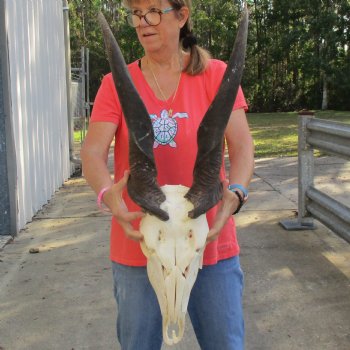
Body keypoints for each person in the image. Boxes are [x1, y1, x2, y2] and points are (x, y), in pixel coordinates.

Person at [81, 0, 254, 349]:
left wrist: (235, 194)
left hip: (209, 243)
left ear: (182, 14)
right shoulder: (116, 82)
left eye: (153, 11)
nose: (143, 21)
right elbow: (92, 153)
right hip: (141, 244)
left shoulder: (216, 75)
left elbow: (242, 147)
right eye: (136, 13)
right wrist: (106, 193)